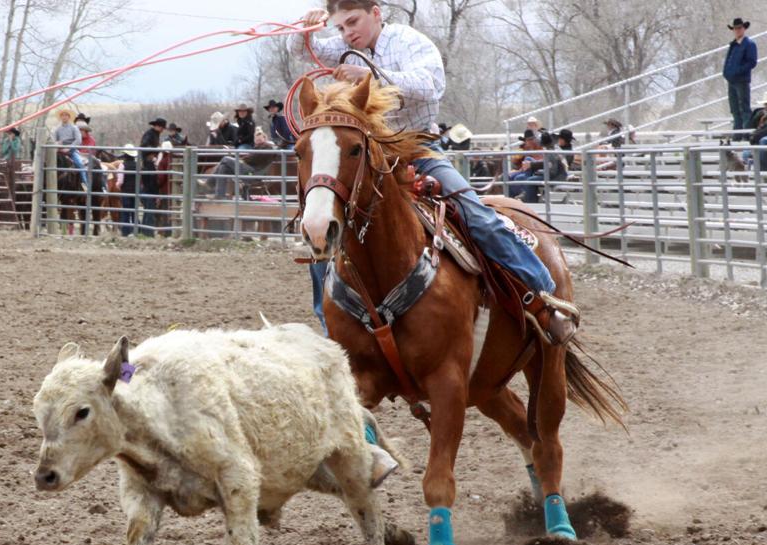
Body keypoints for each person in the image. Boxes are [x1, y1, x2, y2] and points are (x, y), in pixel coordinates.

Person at [294, 1, 578, 338]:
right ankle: (331, 328)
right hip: (371, 161)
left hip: (419, 149)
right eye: (340, 28)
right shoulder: (346, 47)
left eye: (353, 22)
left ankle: (543, 297)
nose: (347, 33)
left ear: (376, 13)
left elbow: (428, 86)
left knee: (474, 213)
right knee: (325, 228)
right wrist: (304, 28)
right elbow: (305, 49)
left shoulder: (410, 42)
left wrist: (371, 77)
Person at [208, 127, 277, 199]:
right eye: (256, 136)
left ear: (265, 138)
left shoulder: (267, 147)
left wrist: (239, 159)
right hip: (248, 170)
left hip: (252, 173)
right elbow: (249, 159)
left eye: (260, 136)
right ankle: (220, 195)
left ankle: (209, 183)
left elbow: (252, 159)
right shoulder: (257, 148)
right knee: (224, 167)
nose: (258, 138)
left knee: (225, 159)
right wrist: (236, 157)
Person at [723, 18, 757, 141]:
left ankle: (746, 134)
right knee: (735, 108)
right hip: (732, 80)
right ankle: (737, 134)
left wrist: (737, 72)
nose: (737, 30)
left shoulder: (749, 44)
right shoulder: (733, 45)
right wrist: (726, 73)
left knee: (744, 107)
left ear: (744, 28)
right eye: (735, 28)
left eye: (739, 28)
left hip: (741, 80)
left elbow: (752, 62)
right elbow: (728, 61)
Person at [138, 118, 166, 233]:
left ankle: (146, 229)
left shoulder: (153, 134)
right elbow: (144, 146)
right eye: (161, 127)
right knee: (150, 201)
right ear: (157, 126)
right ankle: (147, 230)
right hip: (148, 164)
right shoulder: (150, 135)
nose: (162, 130)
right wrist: (155, 151)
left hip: (149, 162)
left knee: (149, 204)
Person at [54, 109, 88, 190]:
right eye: (62, 115)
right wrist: (57, 144)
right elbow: (55, 140)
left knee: (80, 164)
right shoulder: (57, 129)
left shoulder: (74, 128)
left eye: (66, 115)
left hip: (71, 150)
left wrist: (69, 148)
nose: (64, 117)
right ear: (60, 117)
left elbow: (78, 140)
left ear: (69, 117)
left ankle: (85, 184)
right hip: (60, 150)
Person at [116, 144, 138, 236]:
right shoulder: (137, 165)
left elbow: (120, 181)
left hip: (126, 191)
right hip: (135, 191)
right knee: (134, 211)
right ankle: (136, 231)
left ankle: (125, 232)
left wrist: (117, 186)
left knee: (126, 212)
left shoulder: (122, 165)